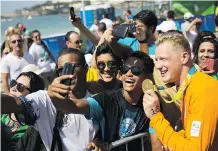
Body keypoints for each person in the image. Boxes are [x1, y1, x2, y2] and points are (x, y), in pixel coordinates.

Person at [47, 51, 154, 151]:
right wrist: (54, 94)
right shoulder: (106, 99)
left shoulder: (154, 101)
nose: (129, 73)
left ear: (148, 76)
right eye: (125, 69)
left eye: (136, 70)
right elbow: (72, 107)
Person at [1, 48, 99, 151]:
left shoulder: (96, 99)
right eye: (62, 69)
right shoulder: (45, 99)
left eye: (73, 67)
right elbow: (15, 103)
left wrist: (98, 140)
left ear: (86, 69)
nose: (69, 73)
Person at [143, 31, 218, 151]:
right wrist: (175, 140)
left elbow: (196, 148)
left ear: (184, 57)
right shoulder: (190, 86)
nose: (157, 66)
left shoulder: (202, 88)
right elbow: (192, 137)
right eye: (156, 60)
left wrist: (156, 117)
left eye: (163, 59)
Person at [1, 71, 45, 149]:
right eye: (13, 83)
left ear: (33, 95)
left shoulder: (33, 127)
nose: (13, 88)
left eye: (20, 87)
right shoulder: (2, 112)